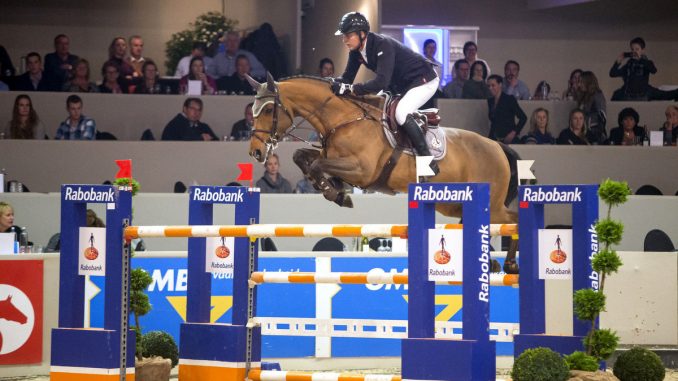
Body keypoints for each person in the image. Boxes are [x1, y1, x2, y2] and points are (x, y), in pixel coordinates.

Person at [332, 12, 440, 175]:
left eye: (348, 35)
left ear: (362, 34)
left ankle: (427, 160)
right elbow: (347, 78)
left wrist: (352, 89)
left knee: (401, 113)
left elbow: (381, 82)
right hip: (403, 84)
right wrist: (330, 84)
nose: (344, 39)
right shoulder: (356, 52)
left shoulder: (383, 45)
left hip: (424, 79)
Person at [610, 37, 678, 101]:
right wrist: (618, 62)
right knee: (616, 94)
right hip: (629, 94)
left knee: (665, 94)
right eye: (632, 49)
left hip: (644, 92)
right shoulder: (629, 64)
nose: (634, 52)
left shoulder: (647, 62)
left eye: (637, 49)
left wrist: (640, 59)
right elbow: (612, 74)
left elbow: (653, 70)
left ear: (642, 50)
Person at [487, 74, 526, 143]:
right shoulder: (490, 101)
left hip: (508, 137)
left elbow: (523, 117)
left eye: (493, 85)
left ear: (500, 85)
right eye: (489, 86)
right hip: (494, 137)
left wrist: (514, 132)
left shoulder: (509, 99)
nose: (490, 88)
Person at [576, 71, 607, 144]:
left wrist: (597, 133)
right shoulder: (583, 96)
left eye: (581, 82)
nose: (579, 85)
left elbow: (602, 116)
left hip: (594, 134)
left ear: (588, 82)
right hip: (583, 132)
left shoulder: (597, 96)